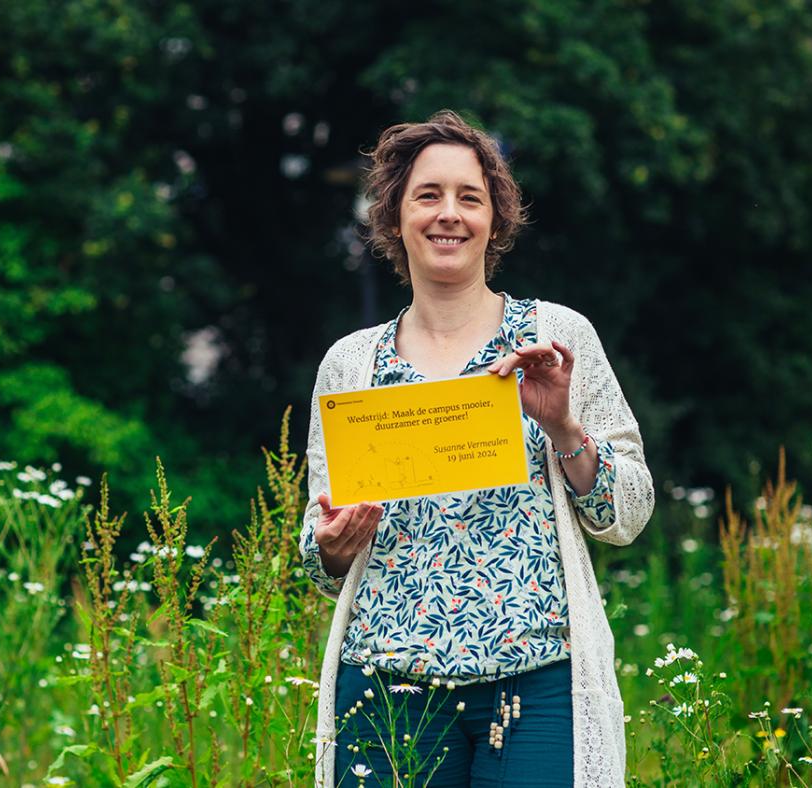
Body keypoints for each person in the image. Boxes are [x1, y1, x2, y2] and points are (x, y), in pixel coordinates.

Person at [299, 110, 655, 787]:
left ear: (496, 219)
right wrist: (331, 547)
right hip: (385, 694)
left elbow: (629, 513)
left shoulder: (555, 338)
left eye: (470, 197)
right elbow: (317, 555)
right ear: (394, 215)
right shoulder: (351, 365)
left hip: (537, 695)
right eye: (427, 195)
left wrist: (564, 431)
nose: (449, 215)